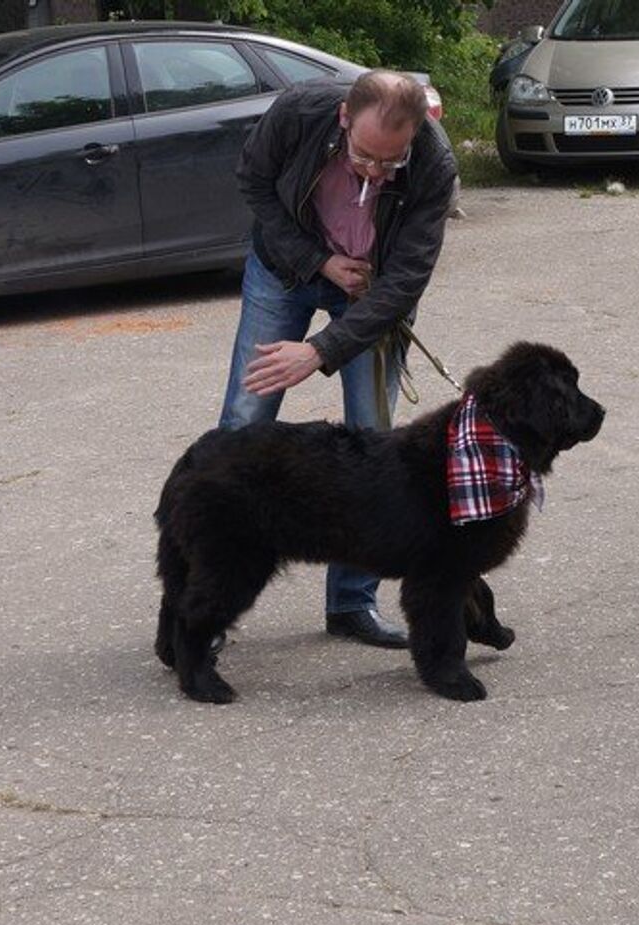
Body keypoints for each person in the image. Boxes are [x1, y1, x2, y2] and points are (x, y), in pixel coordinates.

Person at [218, 68, 458, 648]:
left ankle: (351, 604)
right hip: (282, 272)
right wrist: (317, 261)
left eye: (389, 163)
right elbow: (254, 185)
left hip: (373, 295)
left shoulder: (433, 162)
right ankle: (212, 601)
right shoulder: (298, 112)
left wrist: (321, 351)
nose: (374, 174)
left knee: (374, 445)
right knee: (244, 424)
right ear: (344, 118)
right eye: (365, 158)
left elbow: (405, 282)